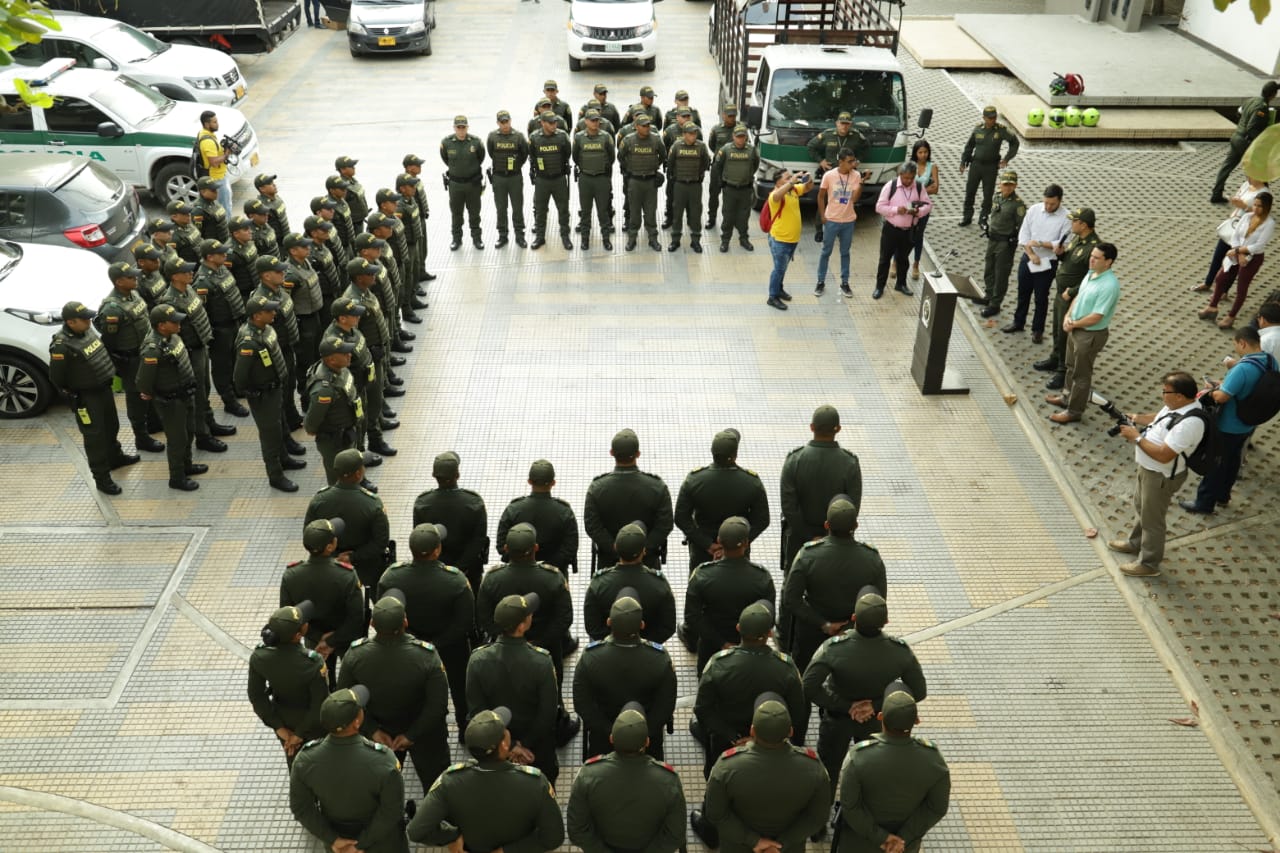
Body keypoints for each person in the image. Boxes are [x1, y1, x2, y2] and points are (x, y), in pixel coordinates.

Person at [803, 588, 926, 797]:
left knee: (828, 770)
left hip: (837, 721)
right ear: (885, 621)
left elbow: (808, 685)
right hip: (874, 722)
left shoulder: (833, 649)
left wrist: (845, 705)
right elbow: (919, 691)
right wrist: (876, 705)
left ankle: (821, 822)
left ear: (853, 618)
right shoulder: (900, 652)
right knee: (869, 772)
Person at [407, 707, 565, 852]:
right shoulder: (535, 784)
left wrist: (451, 837)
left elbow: (416, 831)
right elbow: (554, 837)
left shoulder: (450, 782)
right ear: (503, 745)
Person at [339, 590, 451, 792]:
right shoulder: (426, 656)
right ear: (405, 622)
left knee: (380, 789)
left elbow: (346, 702)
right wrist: (411, 735)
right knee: (437, 787)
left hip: (377, 734)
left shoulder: (354, 656)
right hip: (425, 735)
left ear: (372, 624)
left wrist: (372, 730)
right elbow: (438, 704)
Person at [696, 693, 831, 853]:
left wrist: (754, 841)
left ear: (752, 731)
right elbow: (817, 817)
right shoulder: (814, 769)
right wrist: (780, 844)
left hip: (739, 846)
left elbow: (716, 814)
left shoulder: (727, 767)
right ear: (790, 731)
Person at [1106, 372, 1206, 577]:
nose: (1162, 395)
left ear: (1179, 395)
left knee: (1153, 520)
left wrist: (1135, 438)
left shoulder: (1190, 424)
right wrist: (1137, 418)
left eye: (1165, 391)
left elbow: (1164, 455)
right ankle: (1135, 543)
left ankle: (1149, 564)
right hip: (1148, 469)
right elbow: (1160, 418)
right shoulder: (1176, 406)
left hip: (1161, 475)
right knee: (1142, 507)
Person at [378, 523, 474, 732]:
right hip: (452, 647)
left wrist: (417, 640)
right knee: (459, 685)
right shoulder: (455, 580)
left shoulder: (391, 578)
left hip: (409, 648)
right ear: (438, 549)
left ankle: (423, 729)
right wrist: (437, 642)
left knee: (416, 688)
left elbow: (385, 616)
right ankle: (465, 727)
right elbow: (465, 621)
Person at [693, 601, 806, 779]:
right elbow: (798, 713)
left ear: (738, 628)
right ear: (769, 633)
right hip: (770, 744)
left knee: (719, 779)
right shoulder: (786, 668)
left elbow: (702, 709)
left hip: (725, 742)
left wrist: (733, 737)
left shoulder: (719, 664)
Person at [289, 685, 409, 853]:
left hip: (338, 845)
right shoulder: (384, 761)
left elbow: (301, 808)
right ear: (357, 722)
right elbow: (391, 811)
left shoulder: (305, 761)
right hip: (382, 843)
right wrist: (360, 844)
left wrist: (334, 840)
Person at [836, 682, 950, 853]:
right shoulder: (934, 761)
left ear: (880, 717)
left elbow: (850, 806)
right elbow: (937, 808)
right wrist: (902, 838)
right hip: (904, 847)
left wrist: (881, 838)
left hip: (859, 843)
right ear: (917, 721)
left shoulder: (858, 758)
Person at [466, 595, 562, 783]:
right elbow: (548, 713)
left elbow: (477, 710)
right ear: (521, 626)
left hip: (494, 747)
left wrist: (508, 748)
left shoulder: (477, 660)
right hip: (536, 748)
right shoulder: (542, 662)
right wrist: (523, 744)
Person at [783, 496, 885, 673]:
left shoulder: (808, 555)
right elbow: (878, 601)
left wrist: (824, 624)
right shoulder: (872, 559)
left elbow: (791, 599)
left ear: (826, 525)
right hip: (853, 638)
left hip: (812, 632)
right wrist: (847, 629)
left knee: (805, 679)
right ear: (855, 526)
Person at [673, 428, 770, 614]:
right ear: (735, 454)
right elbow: (762, 520)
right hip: (738, 547)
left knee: (698, 589)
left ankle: (692, 631)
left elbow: (681, 517)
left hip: (702, 548)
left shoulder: (694, 480)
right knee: (737, 590)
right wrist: (738, 542)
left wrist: (708, 545)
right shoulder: (751, 482)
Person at [1182, 327, 1277, 515]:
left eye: (1235, 345)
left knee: (1216, 462)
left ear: (1242, 342)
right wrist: (1224, 385)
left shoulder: (1243, 368)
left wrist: (1213, 389)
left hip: (1229, 424)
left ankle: (1204, 503)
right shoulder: (1270, 361)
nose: (1236, 349)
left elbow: (1222, 398)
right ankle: (1223, 496)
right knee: (1232, 460)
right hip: (1249, 422)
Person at [568, 704, 686, 853]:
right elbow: (676, 835)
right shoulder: (668, 780)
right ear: (647, 742)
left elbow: (576, 830)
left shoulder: (587, 775)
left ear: (611, 738)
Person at [48, 301, 138, 494]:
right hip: (86, 397)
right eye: (84, 319)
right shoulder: (61, 346)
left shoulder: (86, 332)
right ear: (71, 322)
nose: (89, 321)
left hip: (103, 390)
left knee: (111, 425)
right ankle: (102, 478)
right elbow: (56, 376)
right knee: (95, 437)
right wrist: (72, 392)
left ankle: (115, 458)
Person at [573, 594, 678, 760]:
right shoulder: (660, 658)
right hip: (647, 742)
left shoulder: (590, 657)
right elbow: (665, 707)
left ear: (609, 622)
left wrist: (610, 731)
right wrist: (643, 734)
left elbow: (582, 704)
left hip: (603, 740)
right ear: (642, 625)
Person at [779, 405, 863, 592]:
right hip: (837, 542)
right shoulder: (849, 463)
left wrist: (810, 537)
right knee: (829, 588)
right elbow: (852, 506)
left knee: (793, 588)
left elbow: (788, 506)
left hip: (798, 539)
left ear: (812, 427)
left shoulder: (794, 460)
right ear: (838, 429)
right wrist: (827, 538)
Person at [158, 256, 236, 451]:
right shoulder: (170, 301)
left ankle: (209, 423)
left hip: (200, 347)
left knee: (204, 391)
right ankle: (202, 435)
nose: (190, 273)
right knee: (197, 396)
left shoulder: (188, 289)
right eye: (185, 271)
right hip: (189, 353)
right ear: (175, 277)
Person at [281, 518, 366, 687]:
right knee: (351, 681)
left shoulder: (291, 575)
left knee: (320, 682)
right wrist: (331, 640)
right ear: (330, 546)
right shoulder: (347, 575)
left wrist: (318, 638)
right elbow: (357, 617)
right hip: (345, 638)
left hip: (313, 639)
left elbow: (289, 617)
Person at [685, 518, 776, 673]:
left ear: (719, 541)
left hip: (711, 647)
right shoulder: (762, 578)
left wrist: (722, 644)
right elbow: (769, 618)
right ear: (747, 543)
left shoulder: (702, 575)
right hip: (750, 650)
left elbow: (692, 617)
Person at [233, 293, 305, 491]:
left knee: (279, 424)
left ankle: (284, 458)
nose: (274, 313)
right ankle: (275, 474)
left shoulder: (265, 329)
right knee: (269, 435)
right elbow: (239, 376)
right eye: (269, 311)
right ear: (256, 316)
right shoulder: (248, 341)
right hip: (263, 394)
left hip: (275, 388)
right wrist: (251, 392)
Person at [1046, 242, 1121, 424]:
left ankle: (1074, 411)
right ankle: (1066, 397)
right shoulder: (1091, 274)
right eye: (1091, 256)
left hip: (1089, 334)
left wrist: (1074, 324)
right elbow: (1078, 297)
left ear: (1109, 262)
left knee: (1081, 375)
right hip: (1076, 328)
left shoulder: (1109, 285)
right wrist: (1068, 316)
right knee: (1070, 366)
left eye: (1096, 258)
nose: (1091, 260)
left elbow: (1097, 316)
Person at [248, 601, 328, 767]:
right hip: (312, 724)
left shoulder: (260, 657)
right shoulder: (313, 663)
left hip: (284, 719)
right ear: (298, 636)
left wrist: (280, 728)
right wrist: (299, 734)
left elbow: (257, 696)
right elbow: (319, 704)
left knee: (296, 764)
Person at [96, 262, 164, 455]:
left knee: (149, 390)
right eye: (131, 277)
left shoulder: (133, 294)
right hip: (130, 359)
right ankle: (141, 437)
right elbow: (109, 340)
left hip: (144, 352)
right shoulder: (112, 309)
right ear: (119, 282)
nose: (136, 279)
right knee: (136, 399)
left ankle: (153, 423)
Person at [584, 429, 674, 571]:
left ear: (612, 453)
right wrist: (643, 549)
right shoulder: (657, 487)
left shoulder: (596, 488)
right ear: (638, 454)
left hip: (609, 563)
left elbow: (592, 526)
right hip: (647, 562)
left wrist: (614, 547)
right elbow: (665, 525)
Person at [305, 447, 389, 596]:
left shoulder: (319, 500)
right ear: (358, 473)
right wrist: (352, 557)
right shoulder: (372, 503)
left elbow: (310, 536)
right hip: (367, 566)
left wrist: (334, 557)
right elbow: (380, 542)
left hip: (331, 566)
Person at [136, 304, 203, 491]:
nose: (179, 324)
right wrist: (151, 393)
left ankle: (187, 465)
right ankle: (177, 477)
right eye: (174, 321)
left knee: (189, 431)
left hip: (185, 394)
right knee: (177, 440)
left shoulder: (172, 337)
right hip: (171, 401)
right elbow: (143, 380)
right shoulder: (153, 348)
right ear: (161, 325)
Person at [1036, 208, 1101, 389]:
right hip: (1061, 293)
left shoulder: (1093, 248)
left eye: (1075, 221)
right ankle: (1055, 358)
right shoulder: (1077, 240)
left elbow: (1093, 278)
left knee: (1066, 334)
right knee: (1057, 329)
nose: (1071, 224)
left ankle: (1062, 371)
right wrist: (1062, 254)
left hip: (1072, 298)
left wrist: (1072, 292)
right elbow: (1070, 260)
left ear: (1084, 225)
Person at [583, 523, 677, 643]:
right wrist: (646, 644)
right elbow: (667, 627)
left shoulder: (598, 584)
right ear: (643, 551)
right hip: (646, 653)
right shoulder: (660, 585)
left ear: (616, 547)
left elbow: (593, 627)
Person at [412, 451, 489, 594]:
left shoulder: (422, 503)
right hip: (469, 572)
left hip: (434, 571)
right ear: (457, 475)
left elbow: (421, 538)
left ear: (435, 476)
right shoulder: (474, 502)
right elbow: (479, 540)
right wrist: (460, 568)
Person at [341, 258, 395, 460]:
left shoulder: (365, 291)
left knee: (375, 396)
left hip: (375, 355)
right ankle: (370, 441)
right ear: (358, 277)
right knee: (368, 402)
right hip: (366, 360)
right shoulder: (353, 300)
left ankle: (376, 429)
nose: (374, 276)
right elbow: (351, 335)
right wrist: (368, 352)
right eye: (369, 273)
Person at [1197, 191, 1274, 329]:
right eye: (1255, 205)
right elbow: (1235, 235)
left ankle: (1231, 316)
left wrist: (1239, 251)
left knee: (1241, 287)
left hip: (1253, 257)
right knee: (1221, 278)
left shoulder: (1269, 223)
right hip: (1237, 253)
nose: (1255, 208)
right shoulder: (1247, 217)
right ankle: (1212, 307)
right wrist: (1238, 252)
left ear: (1267, 207)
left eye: (1260, 206)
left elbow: (1259, 246)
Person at [1004, 184, 1069, 341]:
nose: (1048, 206)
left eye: (1052, 204)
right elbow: (1024, 235)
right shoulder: (1034, 210)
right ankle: (1018, 322)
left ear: (1059, 201)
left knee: (1041, 297)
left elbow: (1061, 244)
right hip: (1029, 258)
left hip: (1048, 263)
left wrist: (1040, 243)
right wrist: (1031, 253)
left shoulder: (1066, 217)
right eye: (1046, 202)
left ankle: (1037, 329)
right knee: (1022, 293)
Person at [194, 238, 249, 419]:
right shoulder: (203, 282)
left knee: (234, 359)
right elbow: (201, 312)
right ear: (209, 257)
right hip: (220, 328)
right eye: (220, 253)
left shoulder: (221, 269)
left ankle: (236, 390)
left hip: (233, 322)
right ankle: (229, 401)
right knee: (222, 366)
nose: (225, 255)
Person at [496, 459, 580, 576]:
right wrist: (549, 566)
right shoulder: (564, 511)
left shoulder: (513, 509)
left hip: (518, 574)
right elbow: (570, 547)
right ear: (553, 483)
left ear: (529, 481)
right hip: (555, 576)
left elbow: (501, 545)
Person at [303, 336, 363, 485]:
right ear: (331, 360)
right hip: (334, 439)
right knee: (338, 478)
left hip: (347, 431)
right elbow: (312, 421)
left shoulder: (339, 369)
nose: (349, 355)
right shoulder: (324, 389)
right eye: (343, 354)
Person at [1211, 81, 1278, 204]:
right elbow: (1252, 128)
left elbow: (1239, 112)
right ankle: (1263, 200)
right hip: (1245, 142)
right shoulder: (1262, 107)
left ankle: (1216, 194)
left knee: (1227, 167)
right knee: (1258, 170)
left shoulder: (1251, 100)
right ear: (1273, 95)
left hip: (1236, 137)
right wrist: (1261, 142)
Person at [1198, 175, 1268, 293]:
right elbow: (1239, 199)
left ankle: (1224, 291)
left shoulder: (1265, 193)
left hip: (1246, 231)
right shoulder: (1246, 185)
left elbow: (1262, 214)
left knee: (1234, 262)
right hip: (1233, 226)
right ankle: (1208, 282)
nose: (1248, 176)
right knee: (1218, 255)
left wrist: (1245, 207)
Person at [873, 162, 931, 299]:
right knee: (885, 259)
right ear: (900, 175)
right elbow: (879, 207)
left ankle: (901, 284)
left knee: (903, 259)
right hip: (891, 230)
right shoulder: (890, 186)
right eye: (906, 178)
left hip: (909, 230)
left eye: (911, 178)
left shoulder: (918, 187)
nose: (908, 181)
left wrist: (918, 212)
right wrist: (895, 210)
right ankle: (879, 287)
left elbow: (928, 205)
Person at [959, 105, 1018, 227]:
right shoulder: (978, 129)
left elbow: (1014, 142)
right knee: (970, 192)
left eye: (994, 117)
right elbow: (969, 146)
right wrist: (964, 161)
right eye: (989, 118)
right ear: (984, 118)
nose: (992, 120)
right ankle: (967, 216)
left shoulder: (1000, 130)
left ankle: (983, 218)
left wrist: (1007, 158)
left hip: (990, 167)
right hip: (976, 165)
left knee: (988, 194)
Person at [977, 170, 1026, 318]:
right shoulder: (997, 197)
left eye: (1011, 185)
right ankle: (988, 294)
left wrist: (1015, 239)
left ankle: (995, 303)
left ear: (1015, 185)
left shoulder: (1018, 205)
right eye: (1005, 184)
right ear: (1000, 184)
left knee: (1001, 274)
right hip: (992, 239)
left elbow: (1023, 226)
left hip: (1005, 243)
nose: (1008, 188)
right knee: (989, 268)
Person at [814, 151, 862, 297]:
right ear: (841, 161)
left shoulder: (856, 175)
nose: (853, 164)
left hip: (848, 221)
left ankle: (845, 282)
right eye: (849, 161)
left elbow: (854, 199)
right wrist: (823, 215)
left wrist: (861, 184)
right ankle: (820, 281)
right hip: (831, 220)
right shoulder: (829, 176)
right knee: (826, 251)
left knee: (845, 252)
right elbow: (821, 196)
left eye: (854, 161)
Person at [764, 170, 811, 310]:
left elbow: (808, 187)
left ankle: (779, 289)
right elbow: (777, 196)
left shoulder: (793, 190)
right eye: (787, 177)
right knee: (778, 269)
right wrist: (792, 181)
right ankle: (772, 297)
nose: (791, 179)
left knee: (783, 268)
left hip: (792, 239)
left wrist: (808, 178)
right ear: (778, 181)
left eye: (791, 177)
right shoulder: (775, 194)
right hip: (780, 240)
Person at [573, 109, 617, 251]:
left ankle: (606, 239)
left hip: (601, 179)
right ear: (585, 121)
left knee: (603, 211)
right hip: (585, 178)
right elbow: (575, 157)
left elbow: (612, 157)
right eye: (592, 120)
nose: (595, 122)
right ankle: (585, 240)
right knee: (585, 212)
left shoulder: (606, 137)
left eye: (597, 120)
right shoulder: (579, 137)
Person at [529, 112, 574, 251]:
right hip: (542, 179)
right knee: (540, 210)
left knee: (563, 209)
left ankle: (565, 236)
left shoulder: (562, 136)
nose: (554, 125)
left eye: (555, 122)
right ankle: (540, 237)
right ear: (542, 123)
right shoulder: (534, 138)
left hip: (559, 178)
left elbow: (568, 153)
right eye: (550, 123)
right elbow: (532, 155)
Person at [440, 116, 485, 251]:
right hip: (455, 185)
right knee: (456, 213)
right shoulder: (447, 143)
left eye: (463, 127)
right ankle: (456, 239)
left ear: (467, 127)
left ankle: (477, 238)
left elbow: (481, 157)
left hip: (473, 184)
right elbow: (445, 159)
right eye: (458, 127)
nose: (461, 130)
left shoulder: (476, 142)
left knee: (475, 213)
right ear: (454, 128)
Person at [712, 124, 759, 253]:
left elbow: (755, 165)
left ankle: (744, 239)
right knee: (728, 216)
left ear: (746, 138)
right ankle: (725, 240)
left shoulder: (752, 150)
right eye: (738, 137)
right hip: (730, 189)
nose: (740, 139)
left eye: (743, 137)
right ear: (733, 137)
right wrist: (722, 180)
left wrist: (747, 176)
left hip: (745, 189)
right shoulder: (726, 149)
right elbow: (718, 165)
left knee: (744, 216)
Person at [488, 110, 531, 249]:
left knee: (517, 207)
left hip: (514, 178)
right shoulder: (492, 137)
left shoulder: (518, 137)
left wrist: (516, 166)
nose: (505, 124)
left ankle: (520, 236)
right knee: (501, 208)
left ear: (510, 121)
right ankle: (502, 236)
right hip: (499, 177)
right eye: (502, 122)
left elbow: (524, 154)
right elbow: (490, 153)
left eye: (507, 121)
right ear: (498, 123)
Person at [666, 123, 711, 253]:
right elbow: (670, 163)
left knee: (696, 214)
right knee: (677, 213)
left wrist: (697, 175)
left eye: (695, 133)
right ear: (684, 134)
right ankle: (675, 240)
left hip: (695, 185)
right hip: (679, 184)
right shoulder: (676, 146)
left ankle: (695, 241)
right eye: (690, 133)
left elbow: (705, 163)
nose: (693, 136)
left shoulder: (701, 146)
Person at [704, 104, 739, 230]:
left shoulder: (740, 129)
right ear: (723, 115)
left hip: (734, 168)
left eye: (734, 116)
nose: (732, 118)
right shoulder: (716, 130)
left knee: (731, 196)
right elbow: (712, 145)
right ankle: (711, 218)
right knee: (714, 194)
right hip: (718, 168)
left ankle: (730, 219)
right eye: (729, 116)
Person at [908, 140, 938, 281]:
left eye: (925, 152)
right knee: (903, 233)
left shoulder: (932, 167)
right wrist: (925, 190)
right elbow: (904, 184)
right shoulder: (910, 166)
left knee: (918, 236)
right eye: (920, 152)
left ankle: (916, 264)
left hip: (923, 206)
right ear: (915, 153)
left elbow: (936, 188)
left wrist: (918, 191)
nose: (923, 155)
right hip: (909, 205)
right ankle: (895, 262)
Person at [196, 110, 232, 215]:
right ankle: (228, 229)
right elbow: (214, 162)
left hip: (219, 175)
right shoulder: (208, 141)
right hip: (217, 178)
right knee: (225, 207)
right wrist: (226, 154)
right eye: (214, 122)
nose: (217, 124)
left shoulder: (204, 133)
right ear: (207, 124)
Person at [254, 174, 291, 245]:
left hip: (287, 237)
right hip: (277, 242)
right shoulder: (261, 206)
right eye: (270, 184)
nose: (274, 185)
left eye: (273, 182)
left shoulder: (276, 197)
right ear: (262, 189)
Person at [193, 176, 230, 243]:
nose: (216, 192)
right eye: (213, 190)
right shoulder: (198, 210)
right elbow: (198, 233)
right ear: (203, 192)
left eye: (216, 189)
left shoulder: (213, 202)